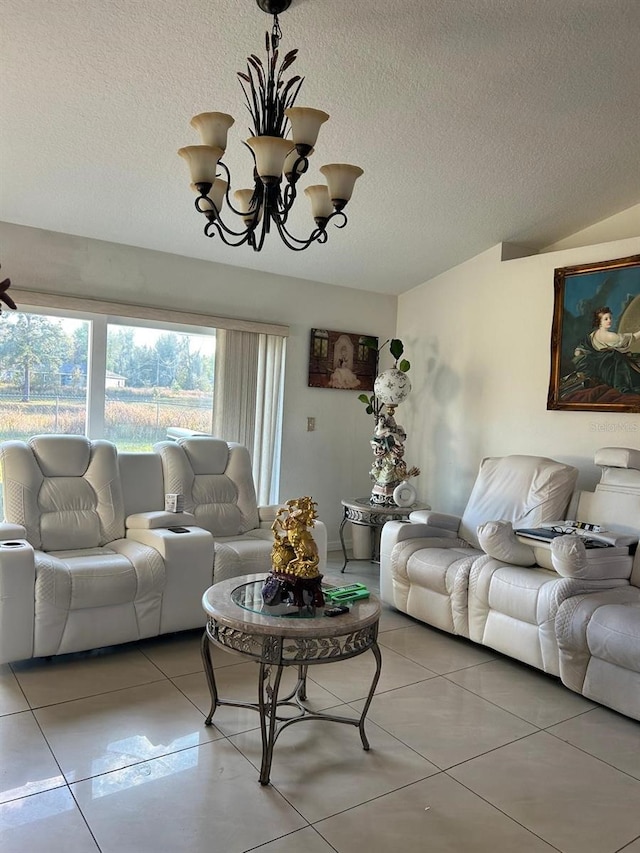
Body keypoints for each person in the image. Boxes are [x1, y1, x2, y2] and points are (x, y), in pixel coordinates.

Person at [573, 306, 640, 394]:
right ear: (599, 322)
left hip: (601, 369)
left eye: (610, 318)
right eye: (606, 319)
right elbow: (632, 338)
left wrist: (578, 352)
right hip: (612, 370)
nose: (609, 320)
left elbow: (581, 347)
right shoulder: (610, 336)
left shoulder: (593, 334)